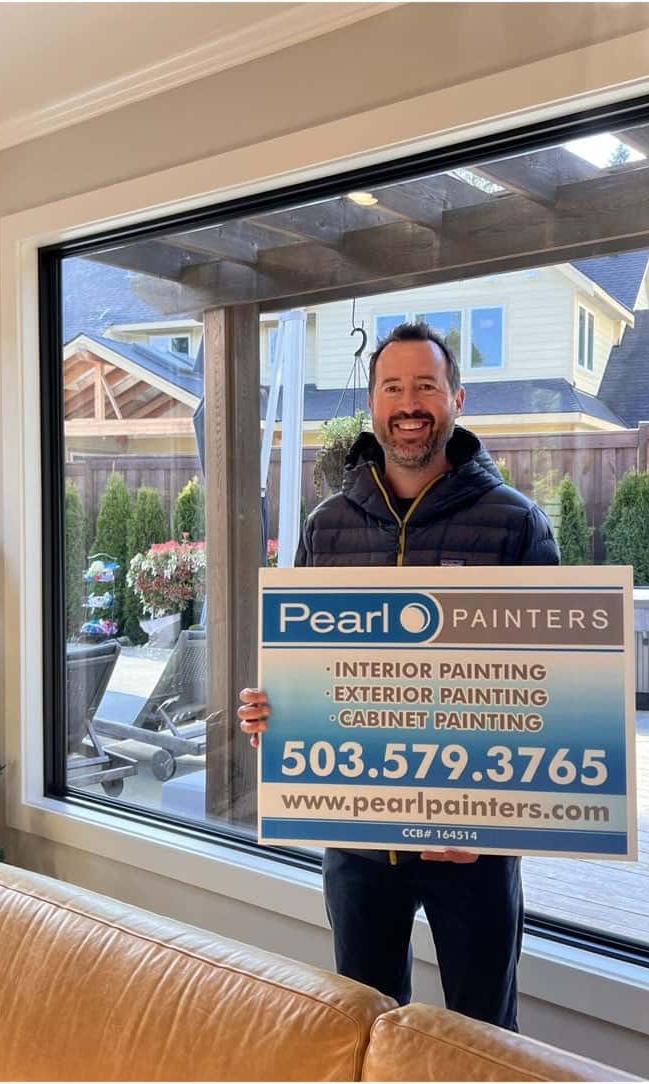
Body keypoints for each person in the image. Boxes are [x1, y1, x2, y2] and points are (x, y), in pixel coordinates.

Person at [237, 321, 559, 1031]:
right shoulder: (326, 527)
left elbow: (554, 692)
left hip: (471, 845)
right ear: (373, 403)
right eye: (393, 387)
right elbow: (304, 668)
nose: (409, 403)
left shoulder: (514, 523)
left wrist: (497, 820)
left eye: (425, 386)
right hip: (357, 846)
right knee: (363, 1030)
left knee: (483, 1039)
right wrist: (274, 712)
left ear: (456, 398)